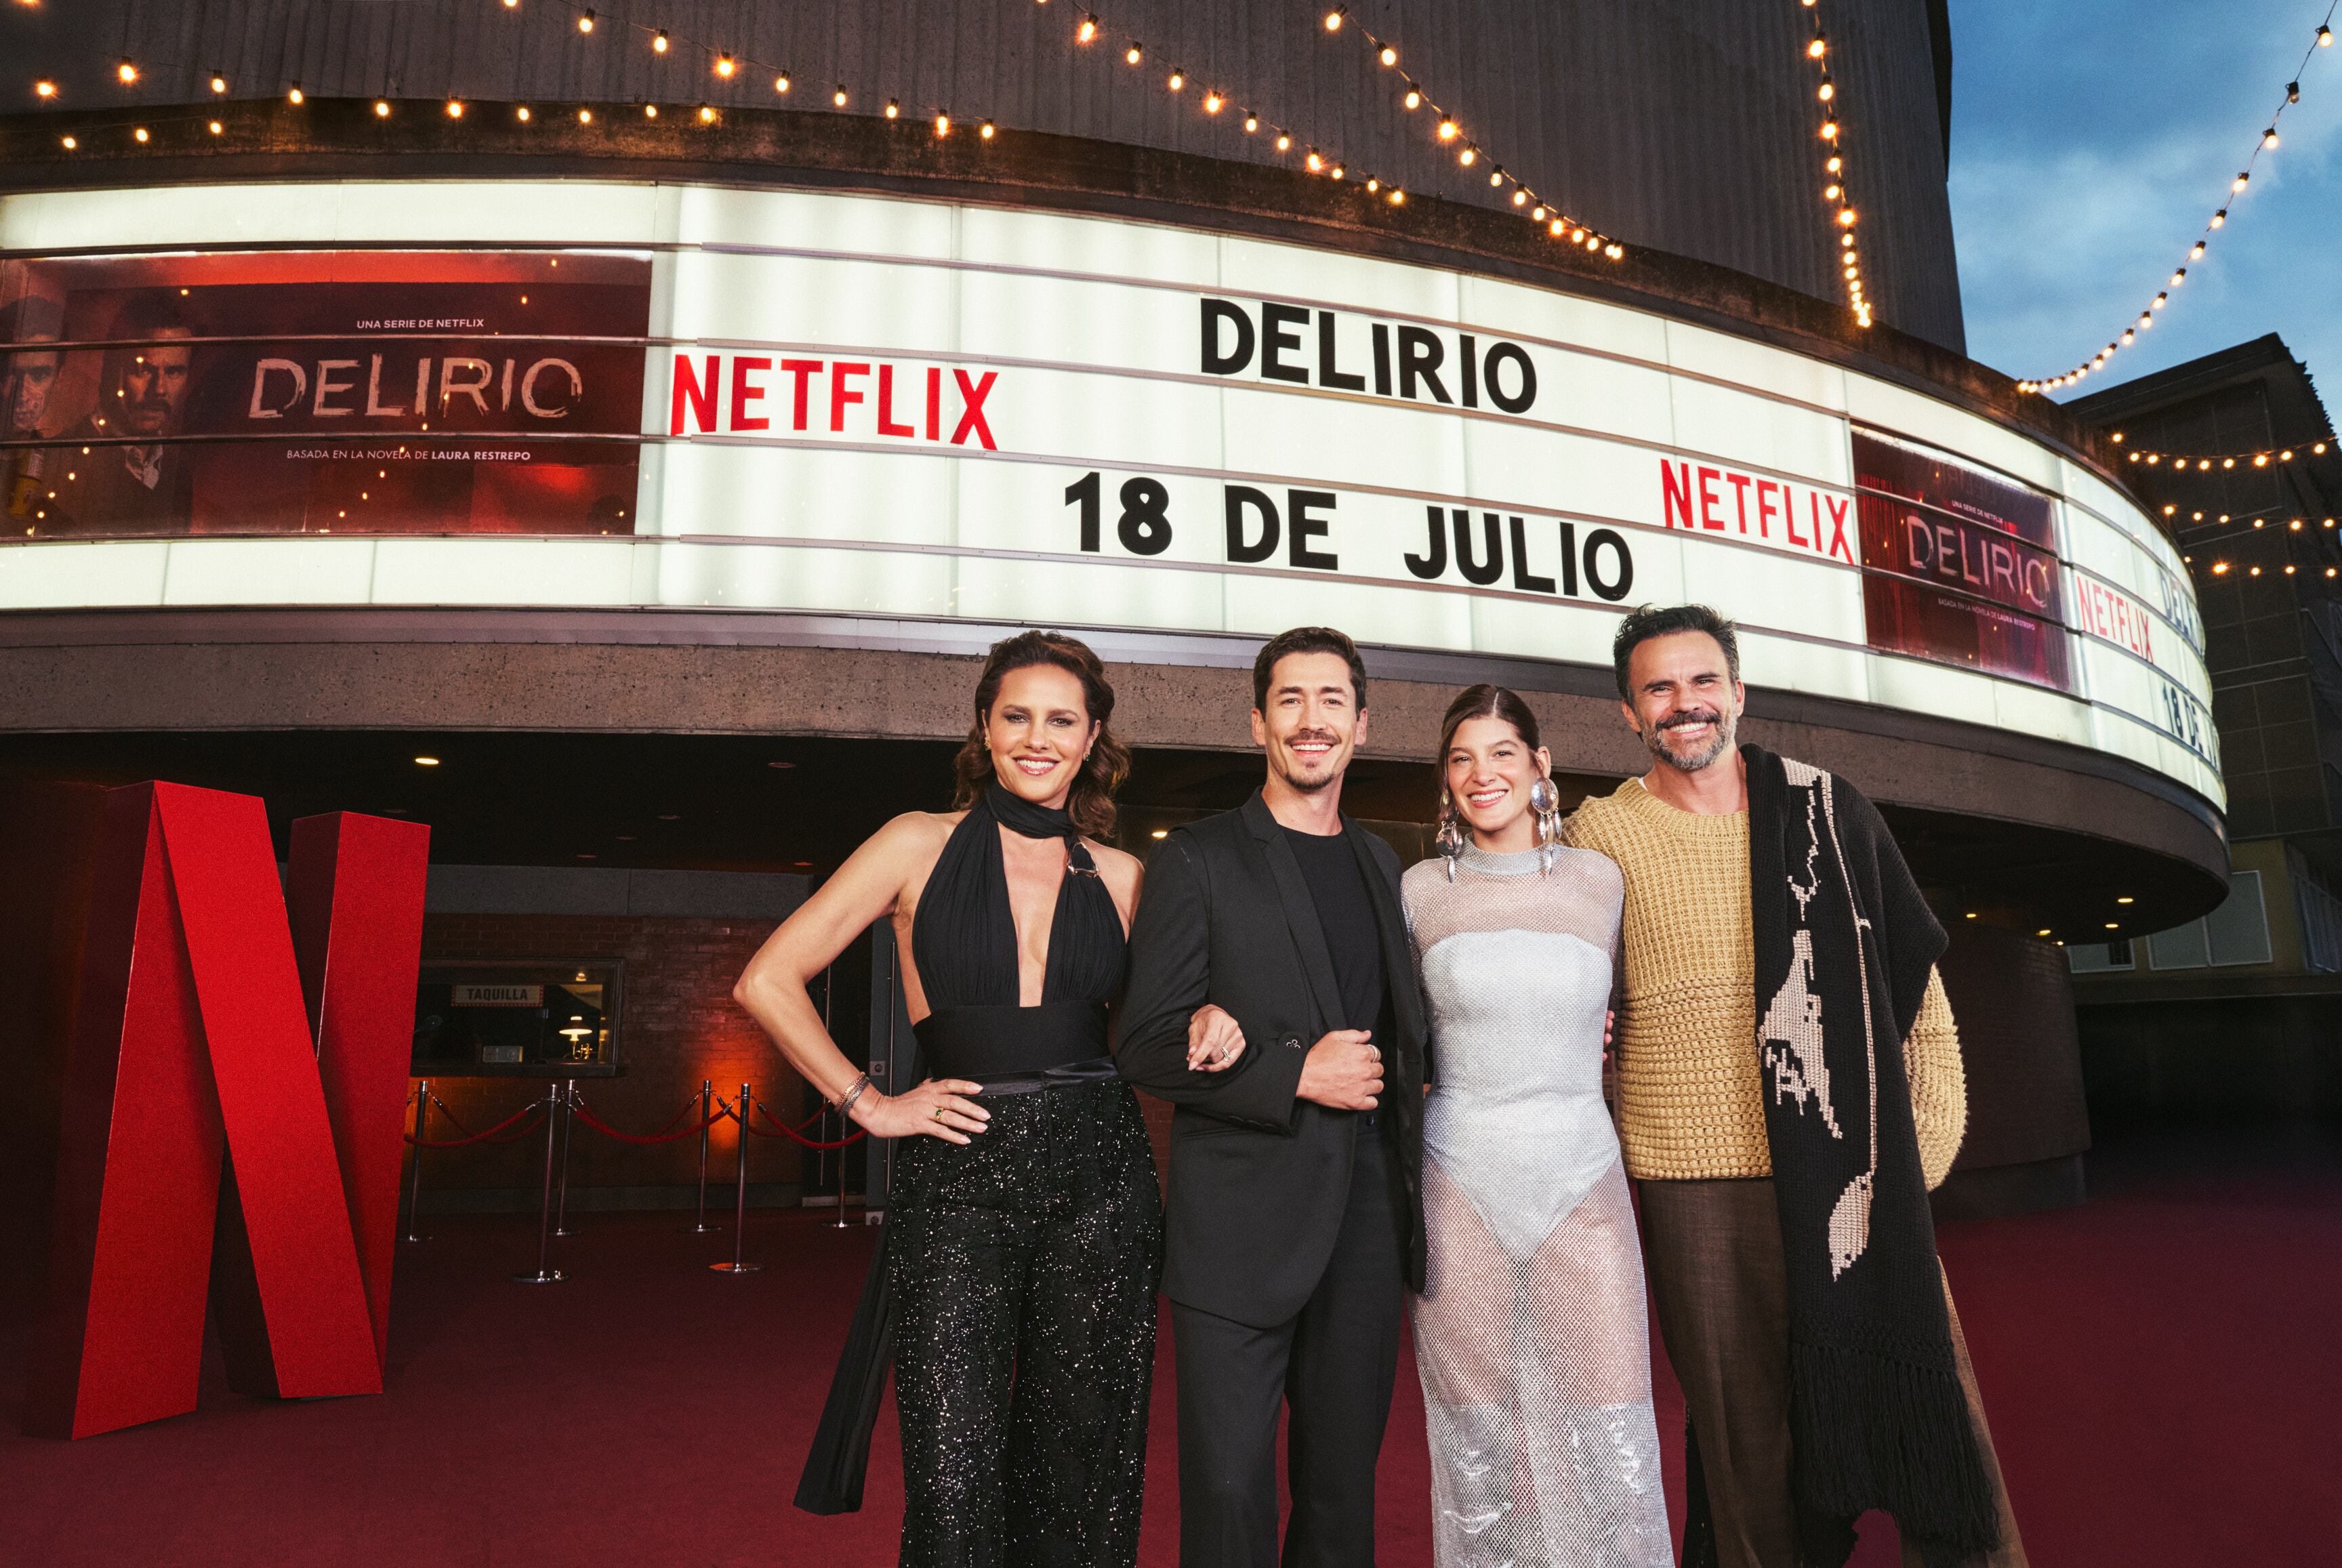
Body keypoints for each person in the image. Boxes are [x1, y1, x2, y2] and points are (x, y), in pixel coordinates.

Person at [1563, 604, 2027, 1568]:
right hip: (1700, 1184)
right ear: (1627, 712)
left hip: (1850, 1171)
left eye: (1702, 682)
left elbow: (1920, 999)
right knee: (1746, 1452)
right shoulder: (1599, 837)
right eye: (1659, 688)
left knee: (1930, 1409)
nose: (1684, 704)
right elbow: (1562, 999)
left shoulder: (1827, 808)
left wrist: (1913, 1159)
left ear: (1738, 692)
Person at [733, 630, 1174, 1567]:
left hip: (1103, 1183)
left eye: (1062, 719)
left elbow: (1159, 1030)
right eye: (1016, 715)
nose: (1037, 738)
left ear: (1093, 736)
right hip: (959, 1178)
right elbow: (769, 978)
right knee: (953, 1468)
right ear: (985, 725)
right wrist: (871, 1100)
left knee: (1081, 1459)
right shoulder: (914, 842)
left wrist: (1221, 1020)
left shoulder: (1127, 876)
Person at [1117, 625, 1428, 1568]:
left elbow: (1405, 1030)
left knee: (1341, 1495)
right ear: (1258, 721)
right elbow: (1141, 1041)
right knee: (1226, 1491)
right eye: (1290, 699)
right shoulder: (1201, 857)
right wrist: (1295, 1074)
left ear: (1363, 724)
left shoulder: (1384, 864)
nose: (1311, 719)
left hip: (1365, 1225)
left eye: (1332, 700)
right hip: (1238, 1229)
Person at [1403, 683, 1672, 1568]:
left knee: (1614, 1429)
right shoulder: (1416, 894)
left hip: (1582, 1179)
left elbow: (1642, 1012)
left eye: (1502, 753)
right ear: (1446, 779)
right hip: (1459, 1182)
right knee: (1478, 1443)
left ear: (1540, 766)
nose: (1483, 775)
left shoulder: (1601, 881)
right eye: (1462, 758)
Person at [50, 293, 196, 534]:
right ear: (111, 369)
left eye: (174, 372)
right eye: (143, 371)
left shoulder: (178, 474)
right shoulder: (59, 460)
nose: (159, 390)